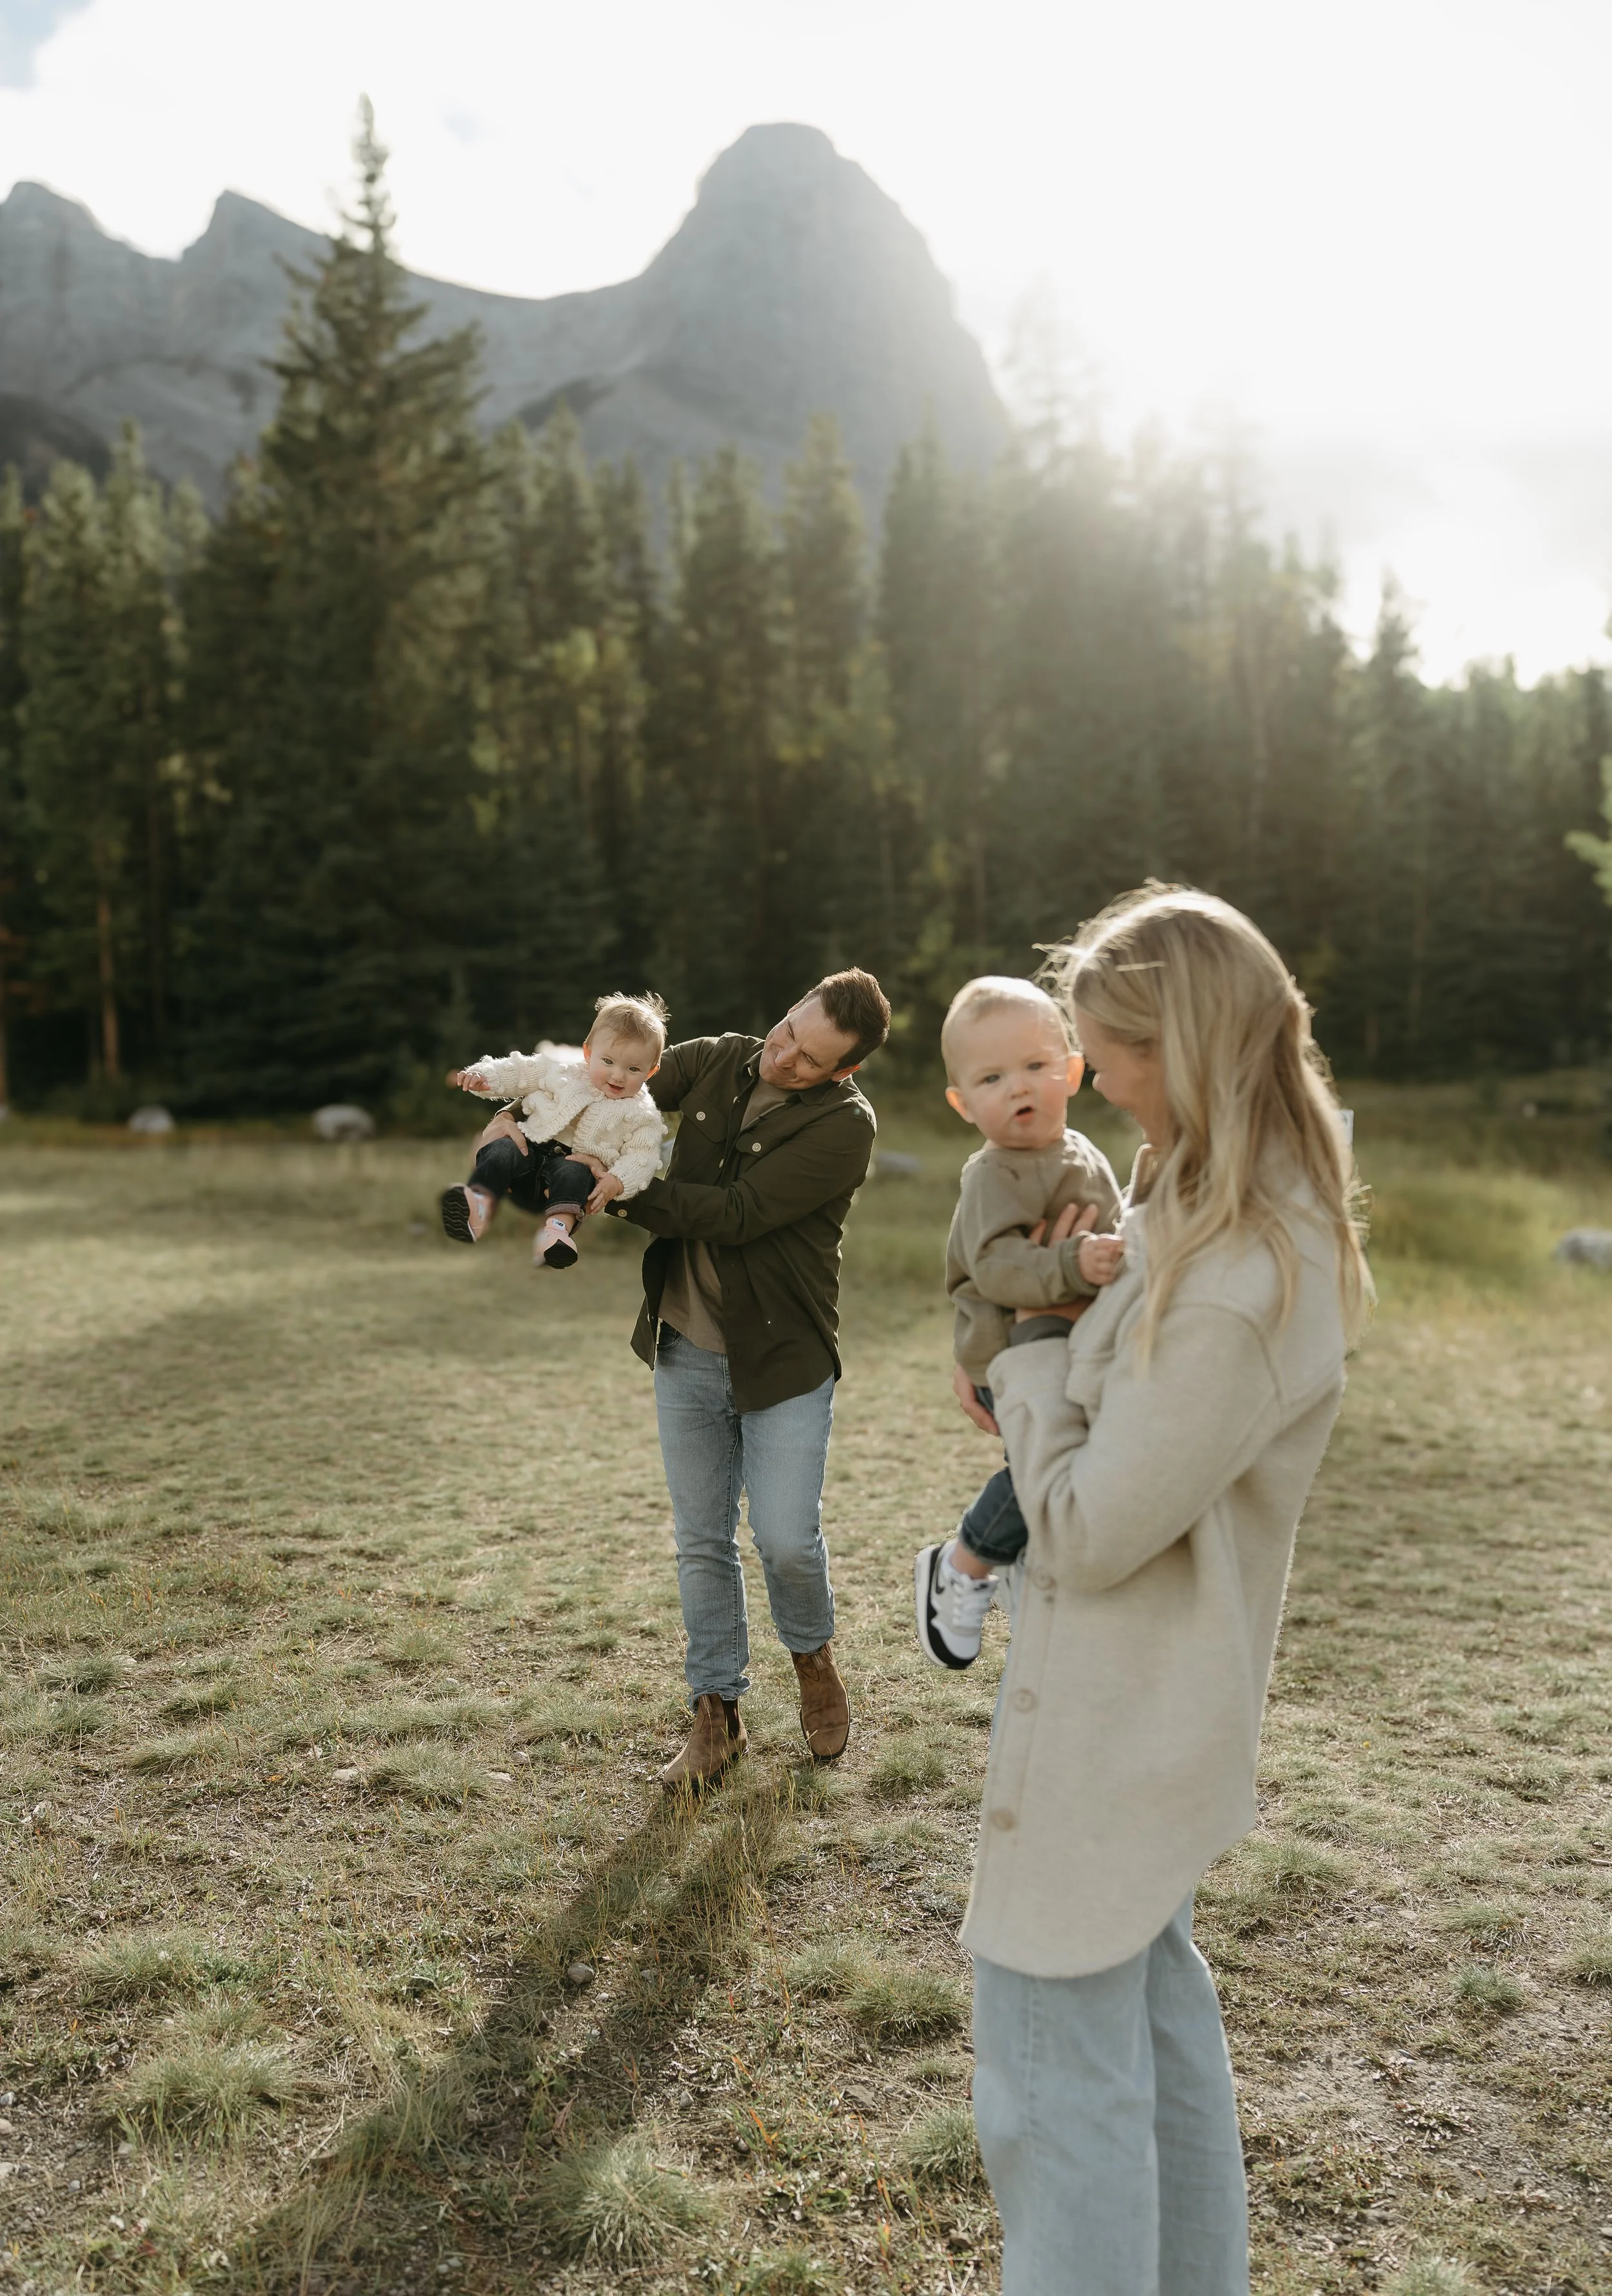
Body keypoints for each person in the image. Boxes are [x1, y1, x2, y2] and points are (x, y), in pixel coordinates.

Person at [960, 887, 1370, 2296]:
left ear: (1174, 1047)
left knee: (1051, 2103)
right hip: (1137, 1720)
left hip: (1114, 1724)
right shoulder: (1197, 1200)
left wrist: (1020, 1366)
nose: (1083, 1075)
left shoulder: (1237, 1267)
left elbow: (1079, 1531)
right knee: (1147, 2048)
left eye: (1101, 1048)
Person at [591, 969, 892, 1790]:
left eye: (809, 1058)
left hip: (783, 1358)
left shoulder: (844, 1128)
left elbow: (736, 1216)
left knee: (787, 1539)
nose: (783, 1057)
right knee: (701, 1541)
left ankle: (812, 1655)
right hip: (686, 1344)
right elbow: (611, 1075)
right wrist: (524, 1124)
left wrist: (611, 1194)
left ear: (845, 1072)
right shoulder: (725, 1057)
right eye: (788, 1031)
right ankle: (715, 1715)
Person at [914, 975, 1125, 1671]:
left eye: (1035, 1067)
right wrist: (1072, 1261)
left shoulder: (1083, 1153)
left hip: (1079, 1342)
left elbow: (1113, 1232)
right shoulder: (992, 1174)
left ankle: (1031, 1562)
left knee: (1074, 1464)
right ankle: (967, 1560)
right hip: (1008, 1349)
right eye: (993, 1077)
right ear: (964, 1104)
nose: (1018, 1087)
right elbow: (997, 1266)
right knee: (1038, 1468)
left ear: (1070, 1071)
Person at [438, 994, 667, 1268]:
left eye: (633, 1069)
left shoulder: (643, 1114)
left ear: (651, 1072)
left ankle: (556, 1233)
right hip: (527, 1160)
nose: (618, 1076)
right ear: (588, 1053)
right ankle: (479, 1203)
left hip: (568, 1177)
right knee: (503, 1148)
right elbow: (520, 1070)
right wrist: (484, 1077)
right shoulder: (561, 1072)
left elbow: (642, 1156)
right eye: (608, 1062)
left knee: (575, 1172)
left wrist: (616, 1181)